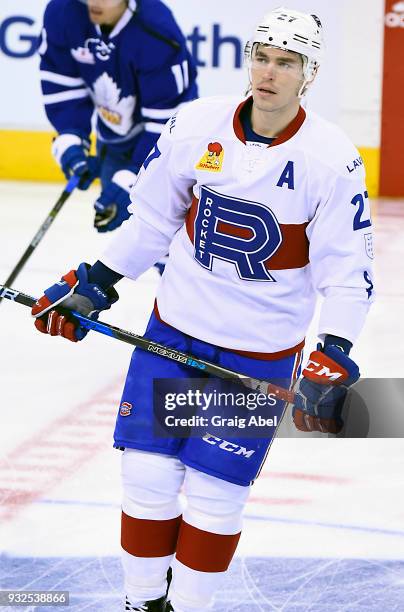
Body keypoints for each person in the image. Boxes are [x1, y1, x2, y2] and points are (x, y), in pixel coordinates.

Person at [31, 7, 374, 611]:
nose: (268, 72)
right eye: (262, 57)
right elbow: (154, 217)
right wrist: (96, 282)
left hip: (256, 356)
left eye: (286, 62)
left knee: (216, 497)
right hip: (174, 335)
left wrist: (335, 350)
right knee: (146, 481)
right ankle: (142, 602)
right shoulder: (197, 125)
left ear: (308, 74)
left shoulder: (331, 159)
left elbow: (348, 273)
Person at [37, 0, 197, 266]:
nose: (95, 2)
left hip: (174, 145)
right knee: (138, 232)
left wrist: (134, 173)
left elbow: (169, 122)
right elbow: (62, 81)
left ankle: (184, 304)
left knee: (170, 240)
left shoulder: (156, 30)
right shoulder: (64, 11)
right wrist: (70, 138)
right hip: (115, 137)